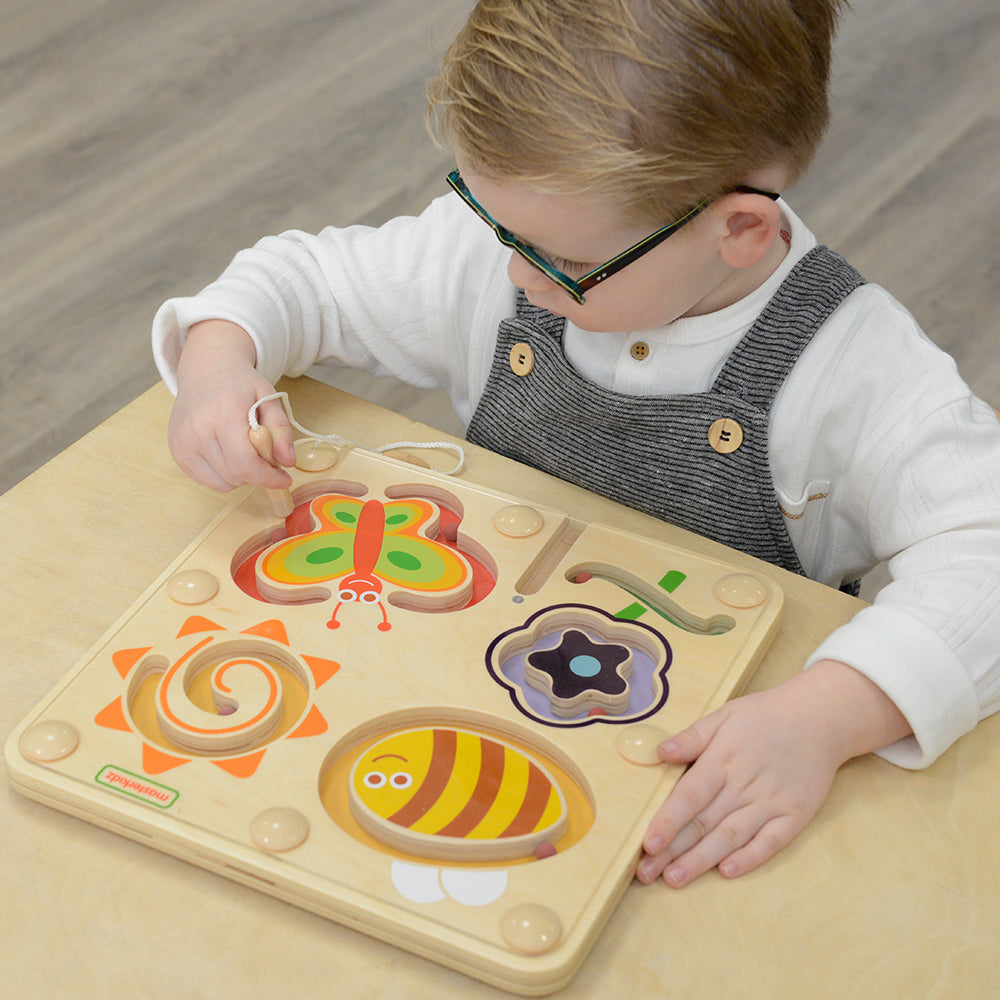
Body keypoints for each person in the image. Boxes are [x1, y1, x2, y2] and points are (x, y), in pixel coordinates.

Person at [152, 0, 1000, 889]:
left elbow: (984, 545)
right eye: (495, 225)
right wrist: (218, 361)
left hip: (703, 772)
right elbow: (306, 279)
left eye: (559, 263)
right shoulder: (518, 246)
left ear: (741, 230)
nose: (515, 273)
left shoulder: (856, 368)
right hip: (464, 683)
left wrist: (827, 717)